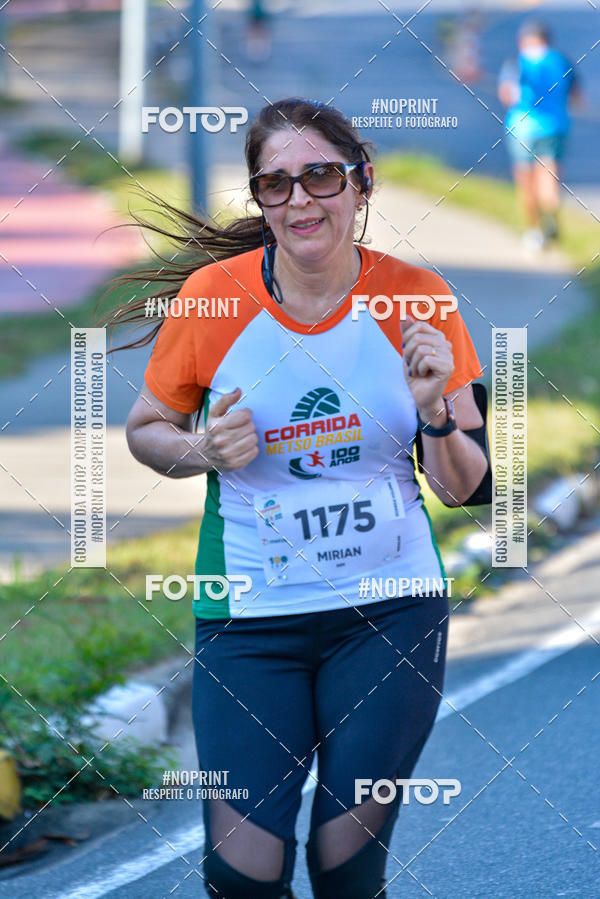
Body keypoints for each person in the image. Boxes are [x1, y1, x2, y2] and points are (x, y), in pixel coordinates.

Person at [119, 98, 490, 898]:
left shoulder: (417, 299)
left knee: (344, 866)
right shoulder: (213, 299)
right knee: (242, 873)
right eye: (275, 183)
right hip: (249, 616)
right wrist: (201, 450)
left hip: (390, 610)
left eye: (320, 175)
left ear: (359, 186)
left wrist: (435, 411)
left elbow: (466, 486)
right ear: (260, 200)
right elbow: (146, 428)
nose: (298, 199)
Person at [498, 19, 581, 252]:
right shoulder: (562, 60)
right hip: (555, 126)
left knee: (526, 182)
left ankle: (534, 232)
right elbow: (576, 96)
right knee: (549, 173)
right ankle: (551, 214)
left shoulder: (517, 61)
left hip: (522, 128)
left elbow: (508, 95)